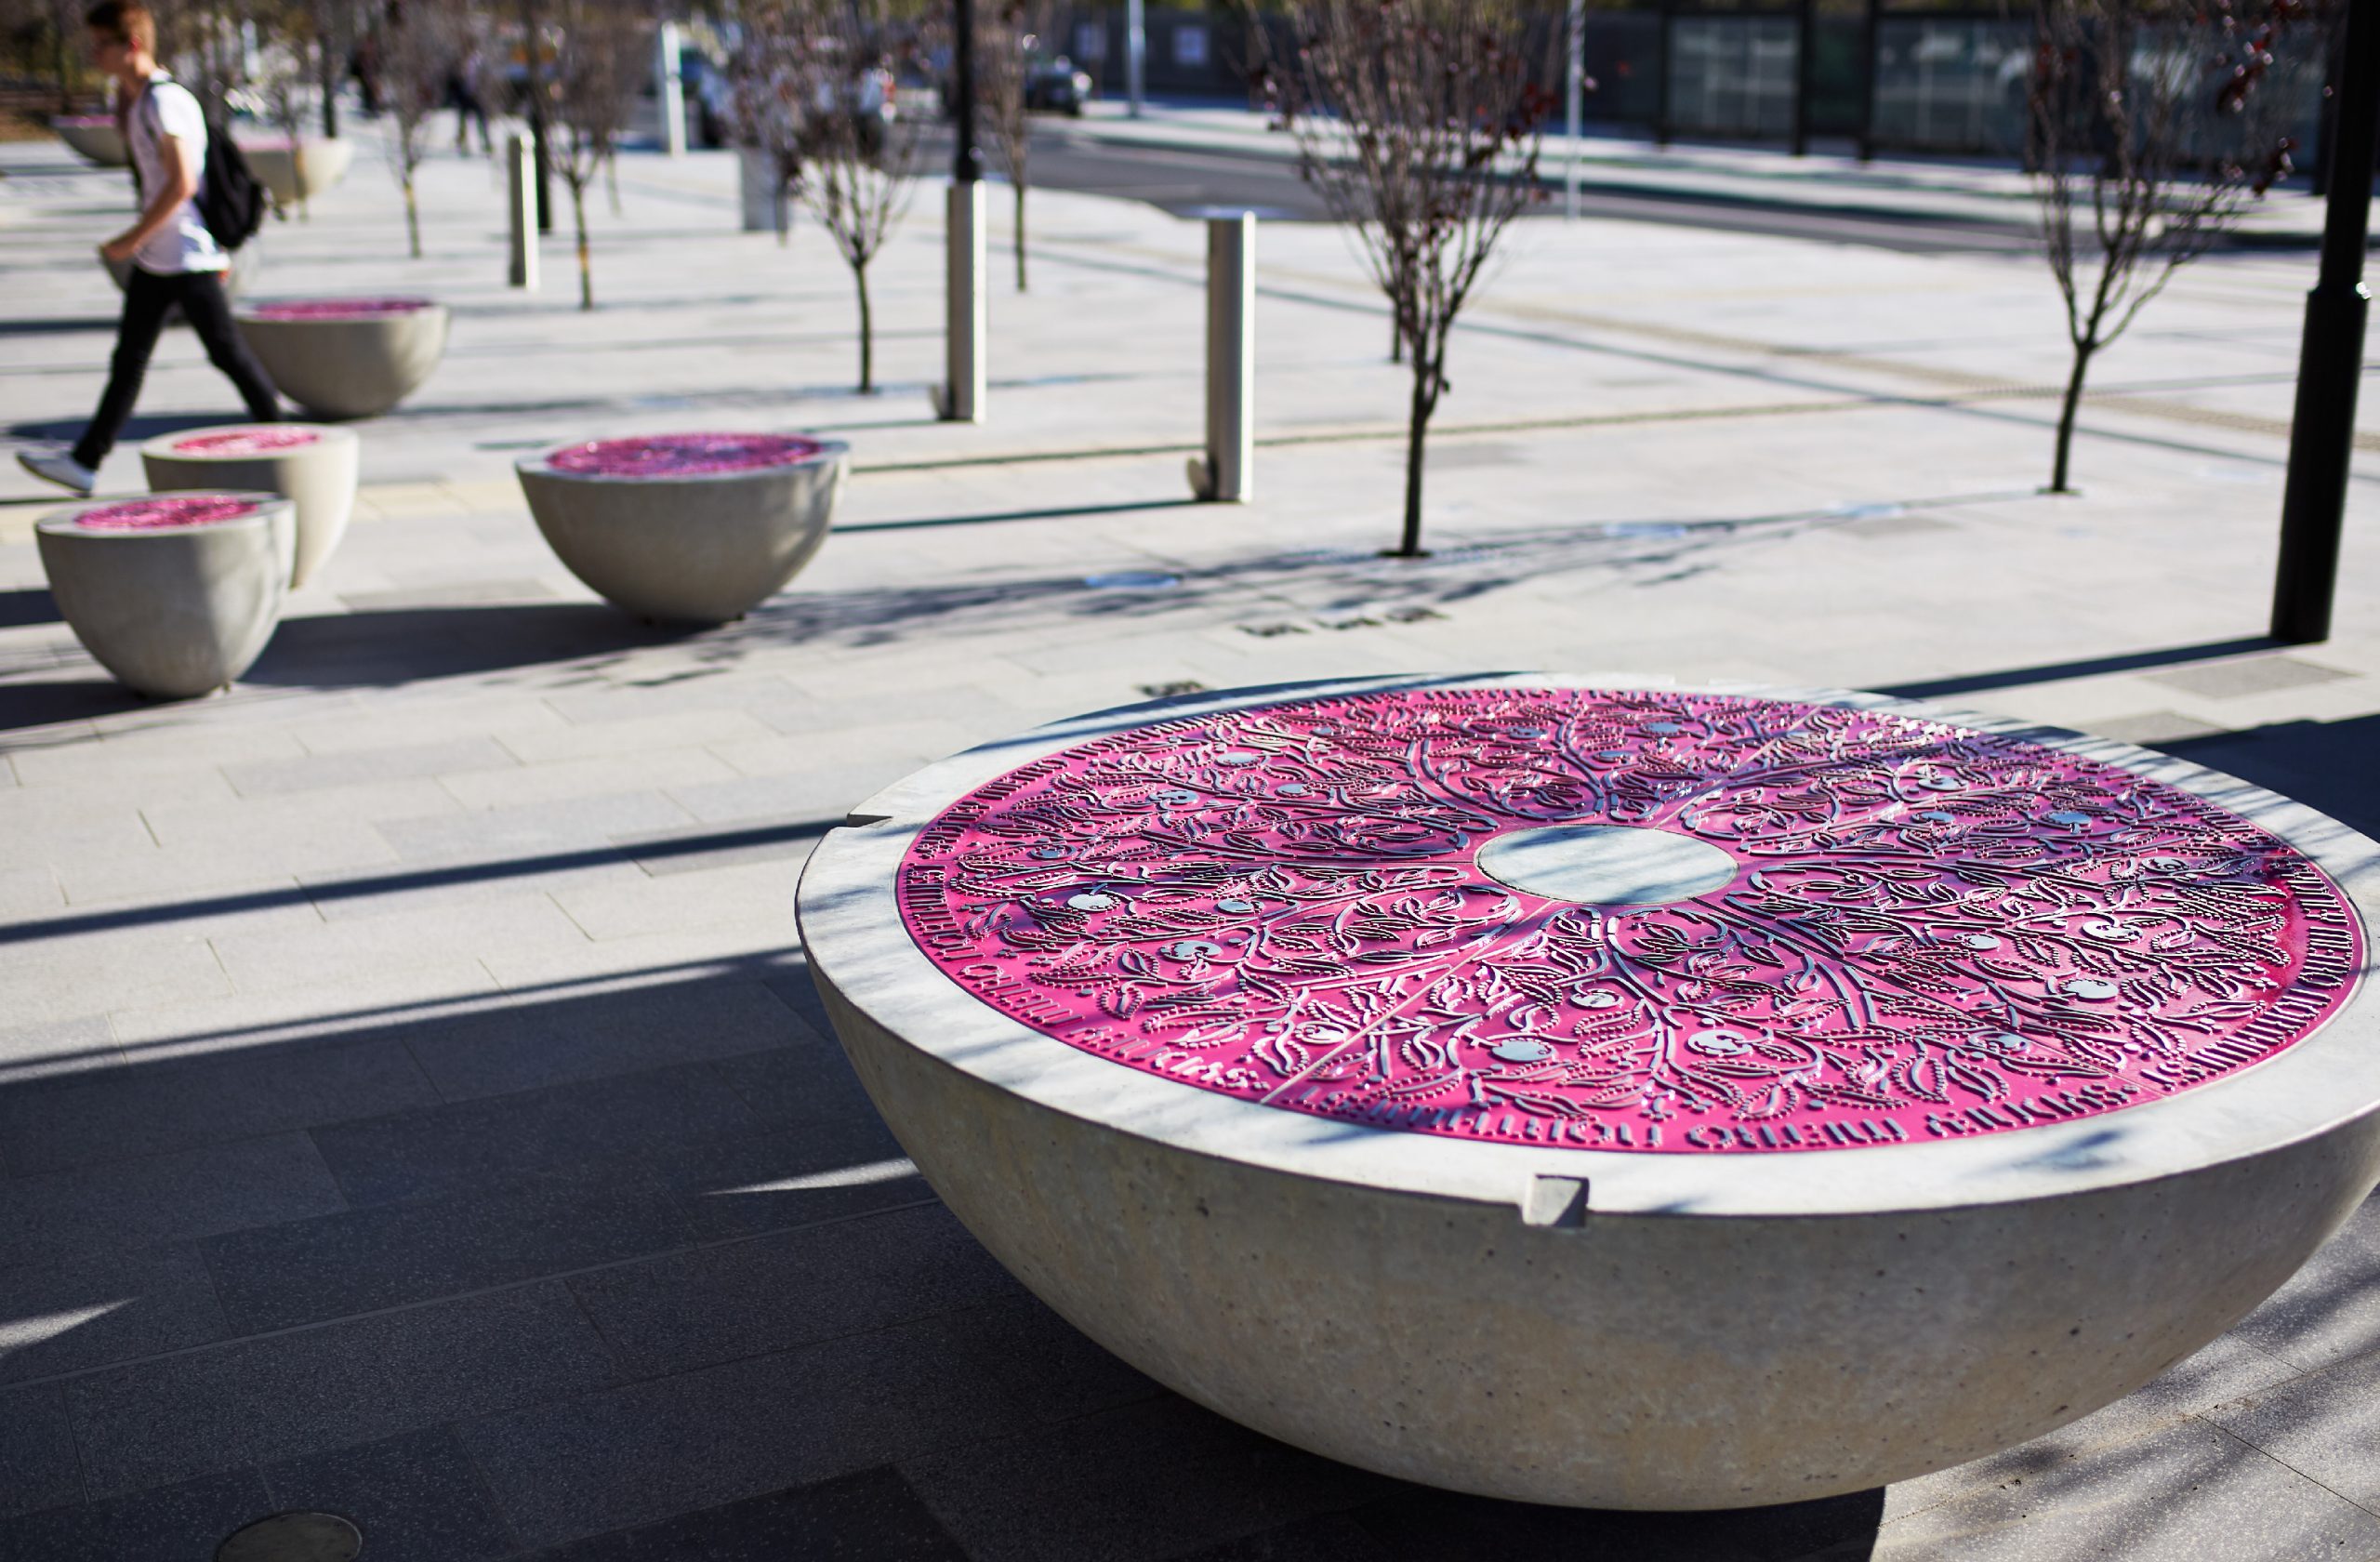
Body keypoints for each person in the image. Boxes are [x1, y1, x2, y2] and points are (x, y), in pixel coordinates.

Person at [16, 0, 280, 497]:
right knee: (132, 359)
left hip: (186, 253)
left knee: (225, 354)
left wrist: (128, 239)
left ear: (130, 44)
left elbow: (181, 183)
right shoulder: (138, 99)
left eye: (101, 44)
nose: (93, 53)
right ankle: (85, 462)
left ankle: (286, 435)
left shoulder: (166, 101)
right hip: (161, 257)